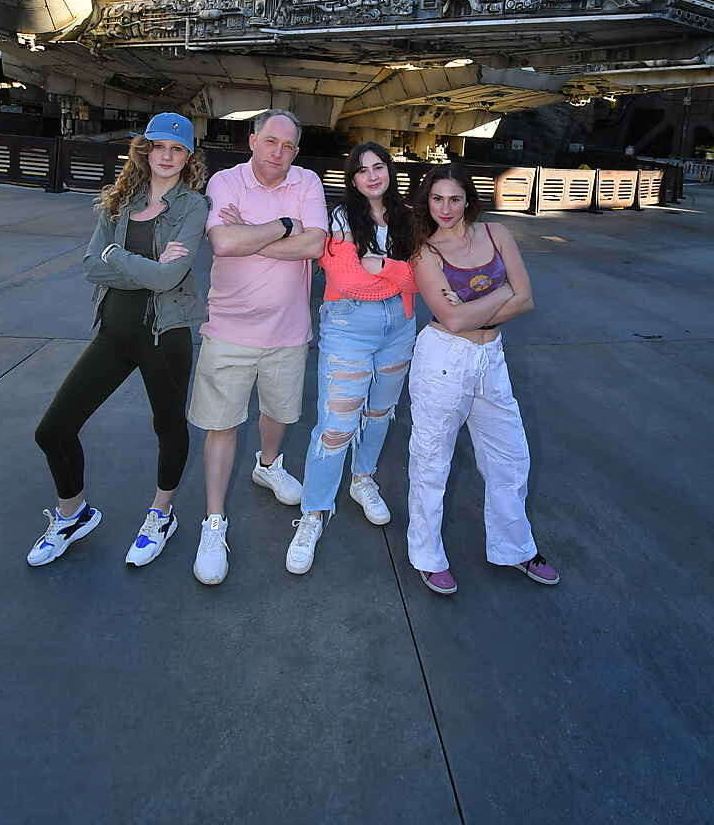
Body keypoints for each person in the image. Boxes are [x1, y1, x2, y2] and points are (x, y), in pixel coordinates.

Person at [27, 113, 209, 568]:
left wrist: (116, 255)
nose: (166, 156)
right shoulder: (119, 201)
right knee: (53, 429)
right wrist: (135, 263)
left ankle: (160, 514)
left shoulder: (192, 207)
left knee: (167, 427)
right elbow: (92, 266)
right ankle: (73, 515)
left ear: (188, 157)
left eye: (177, 149)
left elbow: (170, 278)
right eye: (158, 147)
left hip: (164, 334)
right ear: (144, 150)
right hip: (114, 331)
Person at [188, 109, 327, 585]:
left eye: (288, 146)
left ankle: (268, 466)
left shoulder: (307, 181)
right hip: (228, 329)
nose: (279, 154)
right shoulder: (226, 181)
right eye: (271, 142)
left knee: (280, 414)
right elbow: (223, 243)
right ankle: (213, 522)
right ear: (252, 140)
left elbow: (314, 248)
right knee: (221, 425)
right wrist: (284, 226)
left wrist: (251, 232)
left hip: (288, 330)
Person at [407, 163, 559, 595]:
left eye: (454, 198)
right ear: (427, 202)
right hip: (442, 361)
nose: (446, 208)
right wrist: (501, 294)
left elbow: (526, 298)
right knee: (432, 461)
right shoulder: (425, 252)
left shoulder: (498, 235)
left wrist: (477, 308)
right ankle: (427, 556)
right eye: (437, 199)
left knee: (510, 457)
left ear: (468, 199)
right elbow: (452, 320)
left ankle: (516, 548)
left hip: (492, 357)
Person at [285, 142, 418, 575]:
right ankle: (313, 513)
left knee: (381, 412)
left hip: (399, 325)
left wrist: (385, 269)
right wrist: (395, 274)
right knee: (337, 423)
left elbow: (421, 274)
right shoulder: (341, 218)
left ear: (389, 171)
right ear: (352, 179)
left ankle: (363, 480)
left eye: (379, 167)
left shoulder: (409, 217)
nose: (372, 176)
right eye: (362, 171)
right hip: (348, 326)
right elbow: (346, 277)